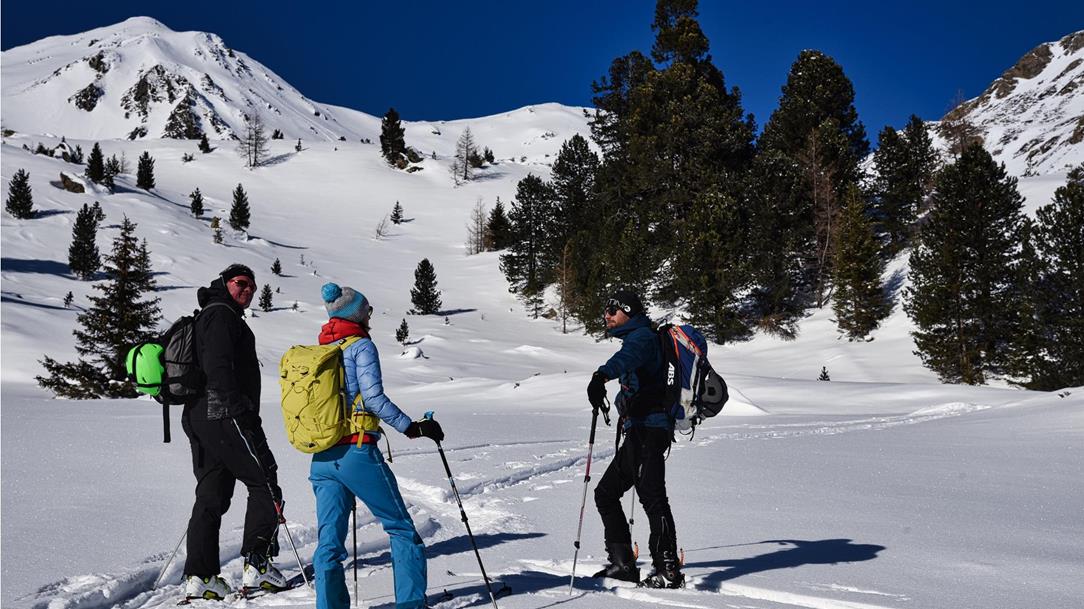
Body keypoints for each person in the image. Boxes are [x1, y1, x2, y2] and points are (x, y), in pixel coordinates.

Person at [310, 282, 444, 609]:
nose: (369, 317)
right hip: (357, 451)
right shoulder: (360, 346)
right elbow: (372, 398)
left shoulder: (320, 349)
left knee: (328, 543)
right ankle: (411, 604)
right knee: (401, 529)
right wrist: (411, 428)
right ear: (356, 314)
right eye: (367, 311)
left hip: (322, 456)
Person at [181, 264, 288, 600]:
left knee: (211, 494)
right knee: (265, 481)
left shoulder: (213, 314)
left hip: (202, 416)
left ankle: (201, 577)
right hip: (225, 414)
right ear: (225, 283)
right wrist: (238, 411)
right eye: (241, 283)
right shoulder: (222, 316)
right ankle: (258, 563)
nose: (247, 290)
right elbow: (218, 367)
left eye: (252, 287)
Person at [587, 289, 685, 589]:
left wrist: (601, 375)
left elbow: (626, 359)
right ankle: (623, 564)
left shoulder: (641, 337)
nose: (606, 315)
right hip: (639, 431)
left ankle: (667, 567)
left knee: (653, 498)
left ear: (628, 312)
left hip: (649, 431)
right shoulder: (640, 339)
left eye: (612, 310)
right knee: (606, 493)